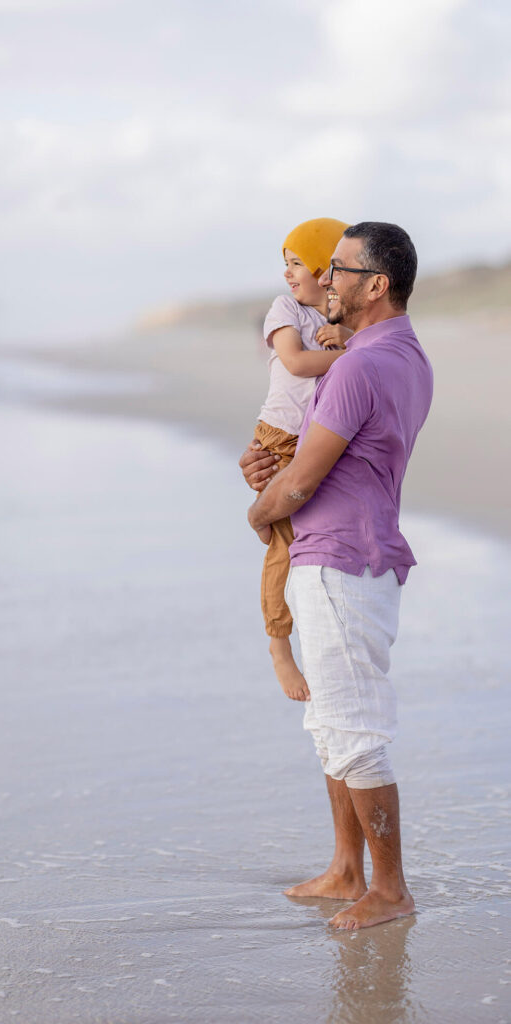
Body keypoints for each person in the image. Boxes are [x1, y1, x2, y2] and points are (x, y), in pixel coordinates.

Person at [241, 222, 433, 930]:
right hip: (352, 552)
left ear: (374, 284)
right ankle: (346, 869)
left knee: (353, 729)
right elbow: (322, 461)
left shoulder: (356, 366)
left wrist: (261, 509)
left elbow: (301, 484)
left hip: (339, 561)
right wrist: (269, 474)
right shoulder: (404, 356)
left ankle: (389, 890)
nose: (325, 281)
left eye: (339, 270)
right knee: (330, 723)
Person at [253, 218, 351, 701]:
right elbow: (294, 362)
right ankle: (279, 645)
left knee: (308, 544)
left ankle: (317, 630)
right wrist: (349, 355)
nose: (289, 274)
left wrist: (346, 342)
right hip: (278, 439)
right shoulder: (286, 308)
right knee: (283, 547)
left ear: (323, 266)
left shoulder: (337, 319)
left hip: (311, 439)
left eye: (297, 263)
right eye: (285, 264)